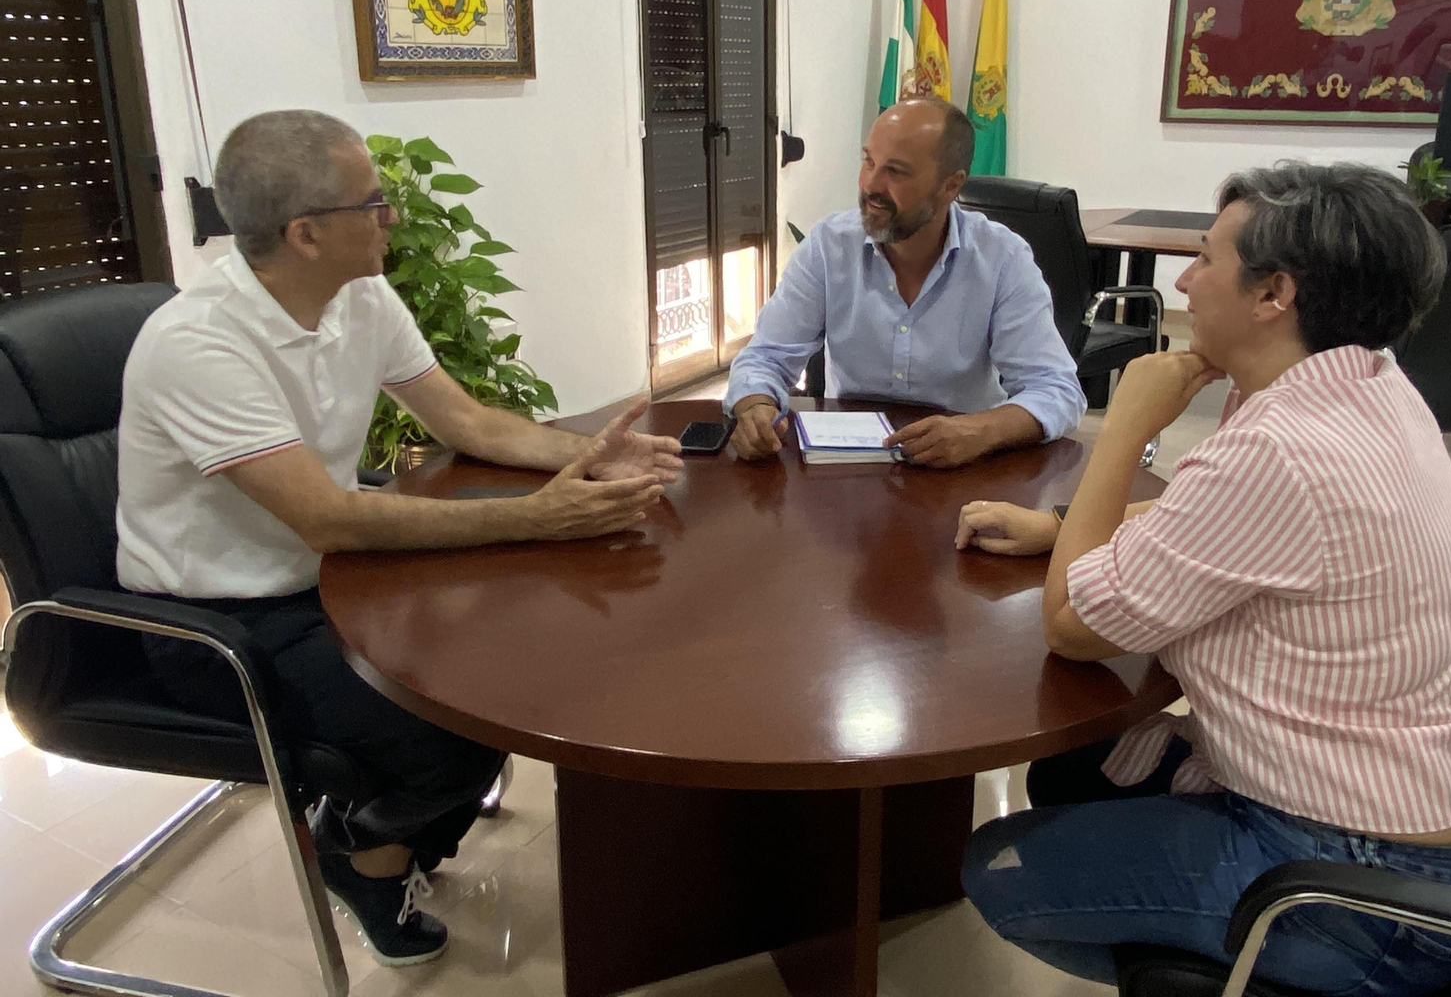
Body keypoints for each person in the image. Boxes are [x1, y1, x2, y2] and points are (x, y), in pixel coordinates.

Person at [117, 110, 683, 966]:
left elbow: (464, 419)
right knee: (454, 730)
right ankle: (360, 852)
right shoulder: (196, 346)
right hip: (218, 622)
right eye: (372, 203)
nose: (393, 217)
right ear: (306, 234)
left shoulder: (361, 296)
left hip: (334, 576)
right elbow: (326, 515)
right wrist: (532, 519)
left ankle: (377, 824)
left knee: (515, 668)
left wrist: (588, 458)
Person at [953, 161, 1451, 995]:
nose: (1182, 280)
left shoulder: (1281, 450)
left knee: (1000, 868)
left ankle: (1287, 972)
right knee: (1078, 773)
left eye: (1206, 258)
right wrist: (1062, 529)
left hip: (1370, 888)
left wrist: (1127, 422)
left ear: (1273, 293)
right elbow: (1220, 534)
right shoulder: (1367, 383)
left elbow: (1070, 624)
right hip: (1433, 823)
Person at [723, 98, 1085, 468]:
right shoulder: (828, 247)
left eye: (896, 171)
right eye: (868, 161)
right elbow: (765, 357)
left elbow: (1056, 390)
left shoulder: (1001, 258)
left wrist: (979, 431)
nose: (871, 185)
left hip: (963, 470)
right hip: (846, 469)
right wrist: (755, 407)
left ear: (950, 186)